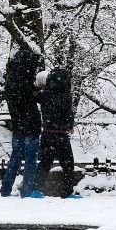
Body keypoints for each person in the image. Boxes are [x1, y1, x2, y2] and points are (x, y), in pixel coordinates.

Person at [0, 46, 43, 198]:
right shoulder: (27, 82)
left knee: (15, 158)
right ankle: (27, 190)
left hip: (17, 126)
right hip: (30, 127)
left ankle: (5, 189)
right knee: (31, 160)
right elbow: (35, 99)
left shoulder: (11, 82)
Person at [37, 65, 79, 198]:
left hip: (47, 133)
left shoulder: (45, 94)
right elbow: (67, 113)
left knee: (44, 163)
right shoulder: (65, 95)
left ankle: (36, 189)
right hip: (61, 134)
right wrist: (70, 125)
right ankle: (67, 191)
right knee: (68, 164)